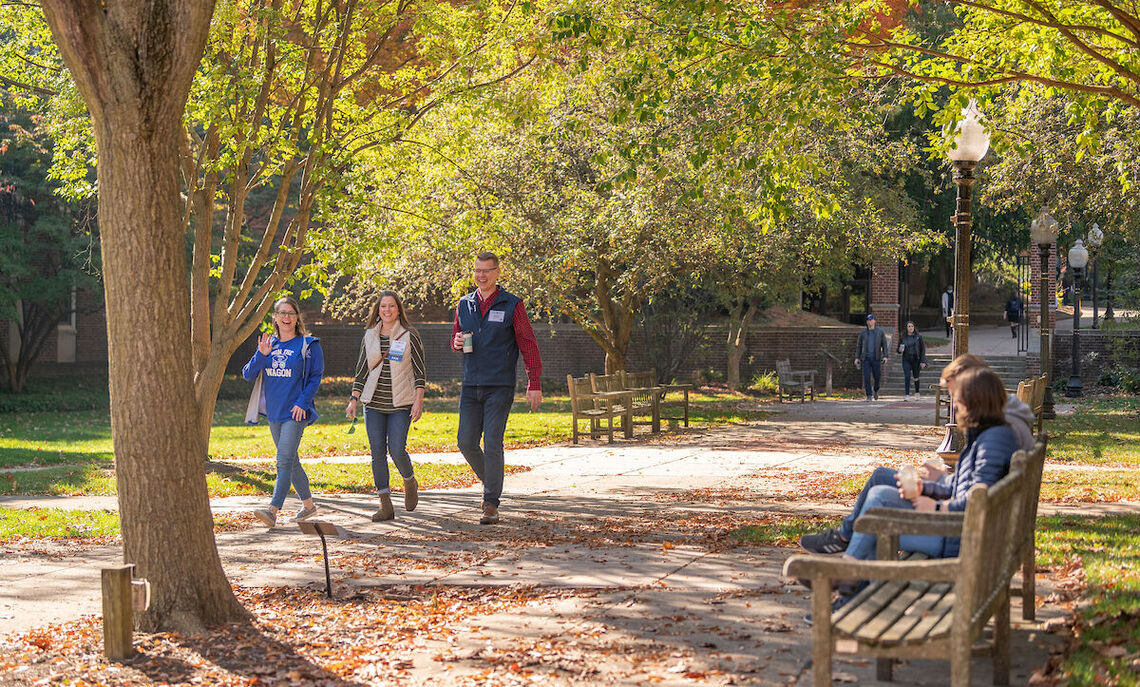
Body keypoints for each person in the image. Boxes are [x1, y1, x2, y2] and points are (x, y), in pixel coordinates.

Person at [799, 354, 1032, 557]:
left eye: (958, 396)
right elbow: (973, 482)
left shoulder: (997, 434)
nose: (954, 404)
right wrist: (935, 483)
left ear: (976, 391)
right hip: (965, 522)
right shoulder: (994, 426)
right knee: (880, 480)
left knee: (878, 505)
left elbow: (979, 492)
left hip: (962, 533)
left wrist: (937, 504)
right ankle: (848, 560)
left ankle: (846, 561)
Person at [451, 251, 543, 525]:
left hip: (499, 386)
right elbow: (455, 338)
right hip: (471, 384)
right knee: (465, 442)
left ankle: (490, 503)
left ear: (497, 273)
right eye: (477, 271)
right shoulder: (464, 304)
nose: (481, 276)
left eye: (487, 271)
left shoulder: (512, 304)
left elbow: (528, 343)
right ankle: (493, 481)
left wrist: (534, 383)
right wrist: (456, 343)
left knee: (492, 442)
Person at [243, 296, 325, 527]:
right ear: (275, 317)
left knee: (283, 460)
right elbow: (248, 374)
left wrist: (302, 403)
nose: (286, 317)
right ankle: (309, 506)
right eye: (282, 313)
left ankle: (272, 510)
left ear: (297, 317)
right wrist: (261, 355)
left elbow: (315, 377)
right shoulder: (268, 344)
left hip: (296, 412)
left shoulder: (308, 345)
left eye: (291, 313)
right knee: (291, 461)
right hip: (274, 412)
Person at [347, 290, 426, 522]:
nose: (387, 310)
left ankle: (409, 481)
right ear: (378, 310)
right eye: (383, 306)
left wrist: (418, 400)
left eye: (391, 306)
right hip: (373, 403)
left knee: (397, 450)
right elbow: (362, 369)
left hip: (401, 403)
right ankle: (385, 505)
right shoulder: (369, 335)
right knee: (377, 454)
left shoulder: (409, 335)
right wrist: (354, 399)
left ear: (398, 309)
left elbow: (420, 372)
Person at [854, 313, 888, 401]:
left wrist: (885, 356)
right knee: (866, 377)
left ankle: (876, 390)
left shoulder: (880, 332)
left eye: (871, 320)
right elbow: (859, 346)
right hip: (866, 358)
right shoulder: (863, 333)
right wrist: (857, 357)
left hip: (876, 358)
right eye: (868, 320)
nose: (870, 322)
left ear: (875, 321)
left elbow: (884, 345)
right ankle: (869, 395)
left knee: (877, 377)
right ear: (867, 322)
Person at [896, 320, 927, 401]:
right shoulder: (903, 337)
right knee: (907, 376)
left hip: (916, 359)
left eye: (912, 326)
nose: (910, 328)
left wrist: (923, 361)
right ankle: (907, 395)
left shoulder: (918, 337)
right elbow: (898, 349)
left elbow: (922, 350)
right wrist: (900, 350)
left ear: (914, 327)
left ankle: (917, 392)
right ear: (906, 328)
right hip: (906, 359)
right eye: (909, 326)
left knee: (916, 377)